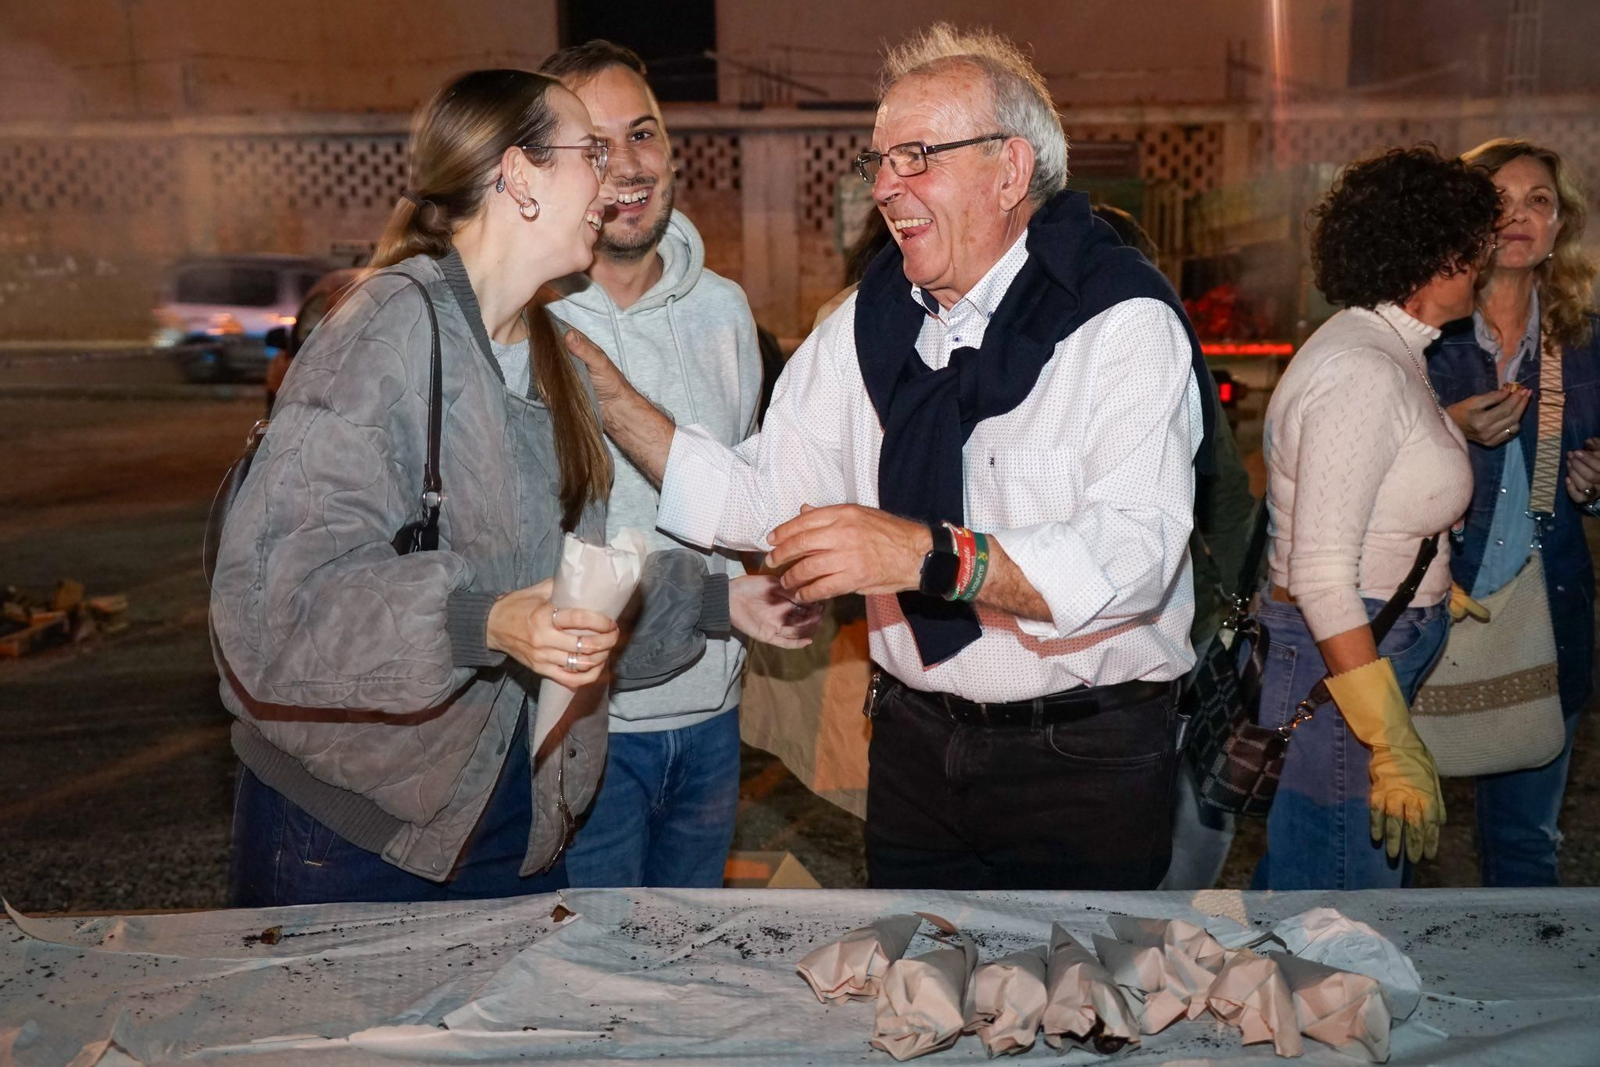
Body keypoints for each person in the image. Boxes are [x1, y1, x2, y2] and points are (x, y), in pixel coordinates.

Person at [566, 23, 1216, 891]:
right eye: (879, 161)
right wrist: (612, 398)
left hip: (1078, 759)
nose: (885, 187)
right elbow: (767, 496)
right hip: (913, 748)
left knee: (1071, 1009)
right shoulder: (871, 324)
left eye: (917, 157)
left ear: (1011, 170)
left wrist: (921, 553)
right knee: (918, 997)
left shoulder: (1121, 324)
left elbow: (1134, 554)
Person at [209, 69, 814, 907]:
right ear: (518, 177)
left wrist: (723, 603)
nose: (609, 180)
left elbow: (573, 591)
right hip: (346, 834)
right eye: (585, 155)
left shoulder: (554, 358)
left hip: (502, 815)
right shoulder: (384, 331)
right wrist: (483, 618)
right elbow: (273, 603)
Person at [532, 41, 778, 890]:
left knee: (687, 970)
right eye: (595, 147)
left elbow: (743, 500)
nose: (628, 166)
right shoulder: (524, 322)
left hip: (713, 720)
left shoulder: (725, 311)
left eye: (643, 134)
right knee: (590, 984)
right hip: (585, 726)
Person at [1254, 145, 1500, 891]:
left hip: (1364, 638)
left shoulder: (1388, 349)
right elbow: (1322, 574)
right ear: (1435, 254)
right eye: (1473, 252)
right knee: (1334, 894)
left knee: (1327, 872)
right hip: (1345, 655)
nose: (1482, 269)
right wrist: (1388, 739)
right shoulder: (1360, 369)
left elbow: (1376, 501)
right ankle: (1316, 1009)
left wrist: (1423, 572)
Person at [1427, 138, 1600, 887]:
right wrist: (1450, 428)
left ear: (1561, 225)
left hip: (1547, 614)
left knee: (1524, 843)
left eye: (1540, 201)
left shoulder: (1584, 340)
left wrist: (1595, 481)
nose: (1521, 216)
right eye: (1502, 200)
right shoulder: (1425, 331)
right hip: (1426, 617)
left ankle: (1527, 1007)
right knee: (1393, 843)